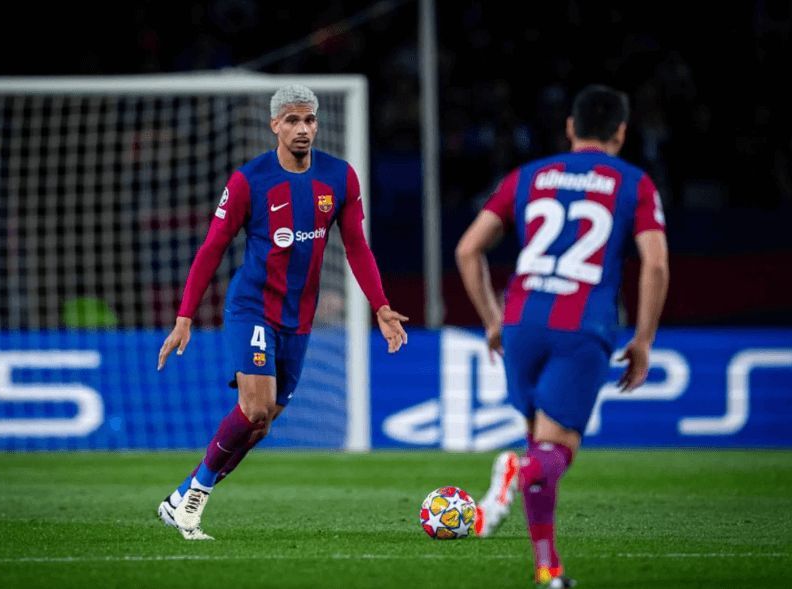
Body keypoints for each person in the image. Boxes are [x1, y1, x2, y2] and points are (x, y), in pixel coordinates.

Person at [156, 85, 409, 540]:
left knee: (260, 425)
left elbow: (356, 246)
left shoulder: (340, 178)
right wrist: (185, 315)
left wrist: (382, 306)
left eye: (309, 120)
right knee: (253, 408)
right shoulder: (248, 181)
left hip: (299, 318)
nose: (302, 129)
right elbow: (213, 248)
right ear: (274, 125)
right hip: (252, 307)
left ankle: (179, 497)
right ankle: (193, 500)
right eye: (292, 121)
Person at [455, 84, 669, 588]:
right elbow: (655, 264)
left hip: (521, 320)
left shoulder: (527, 176)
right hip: (582, 322)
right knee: (554, 453)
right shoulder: (634, 183)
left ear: (570, 127)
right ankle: (518, 473)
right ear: (621, 130)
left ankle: (548, 570)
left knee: (541, 442)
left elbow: (467, 250)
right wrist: (643, 340)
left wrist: (492, 318)